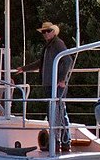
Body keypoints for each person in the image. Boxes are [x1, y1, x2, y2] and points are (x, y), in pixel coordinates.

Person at [17, 21, 71, 151]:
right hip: (49, 84)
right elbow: (41, 63)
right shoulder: (49, 46)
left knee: (59, 111)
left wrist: (63, 79)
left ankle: (63, 141)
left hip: (56, 85)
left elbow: (68, 59)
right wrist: (24, 69)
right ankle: (57, 142)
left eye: (48, 31)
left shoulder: (57, 43)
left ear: (53, 32)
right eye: (43, 31)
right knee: (53, 112)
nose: (46, 34)